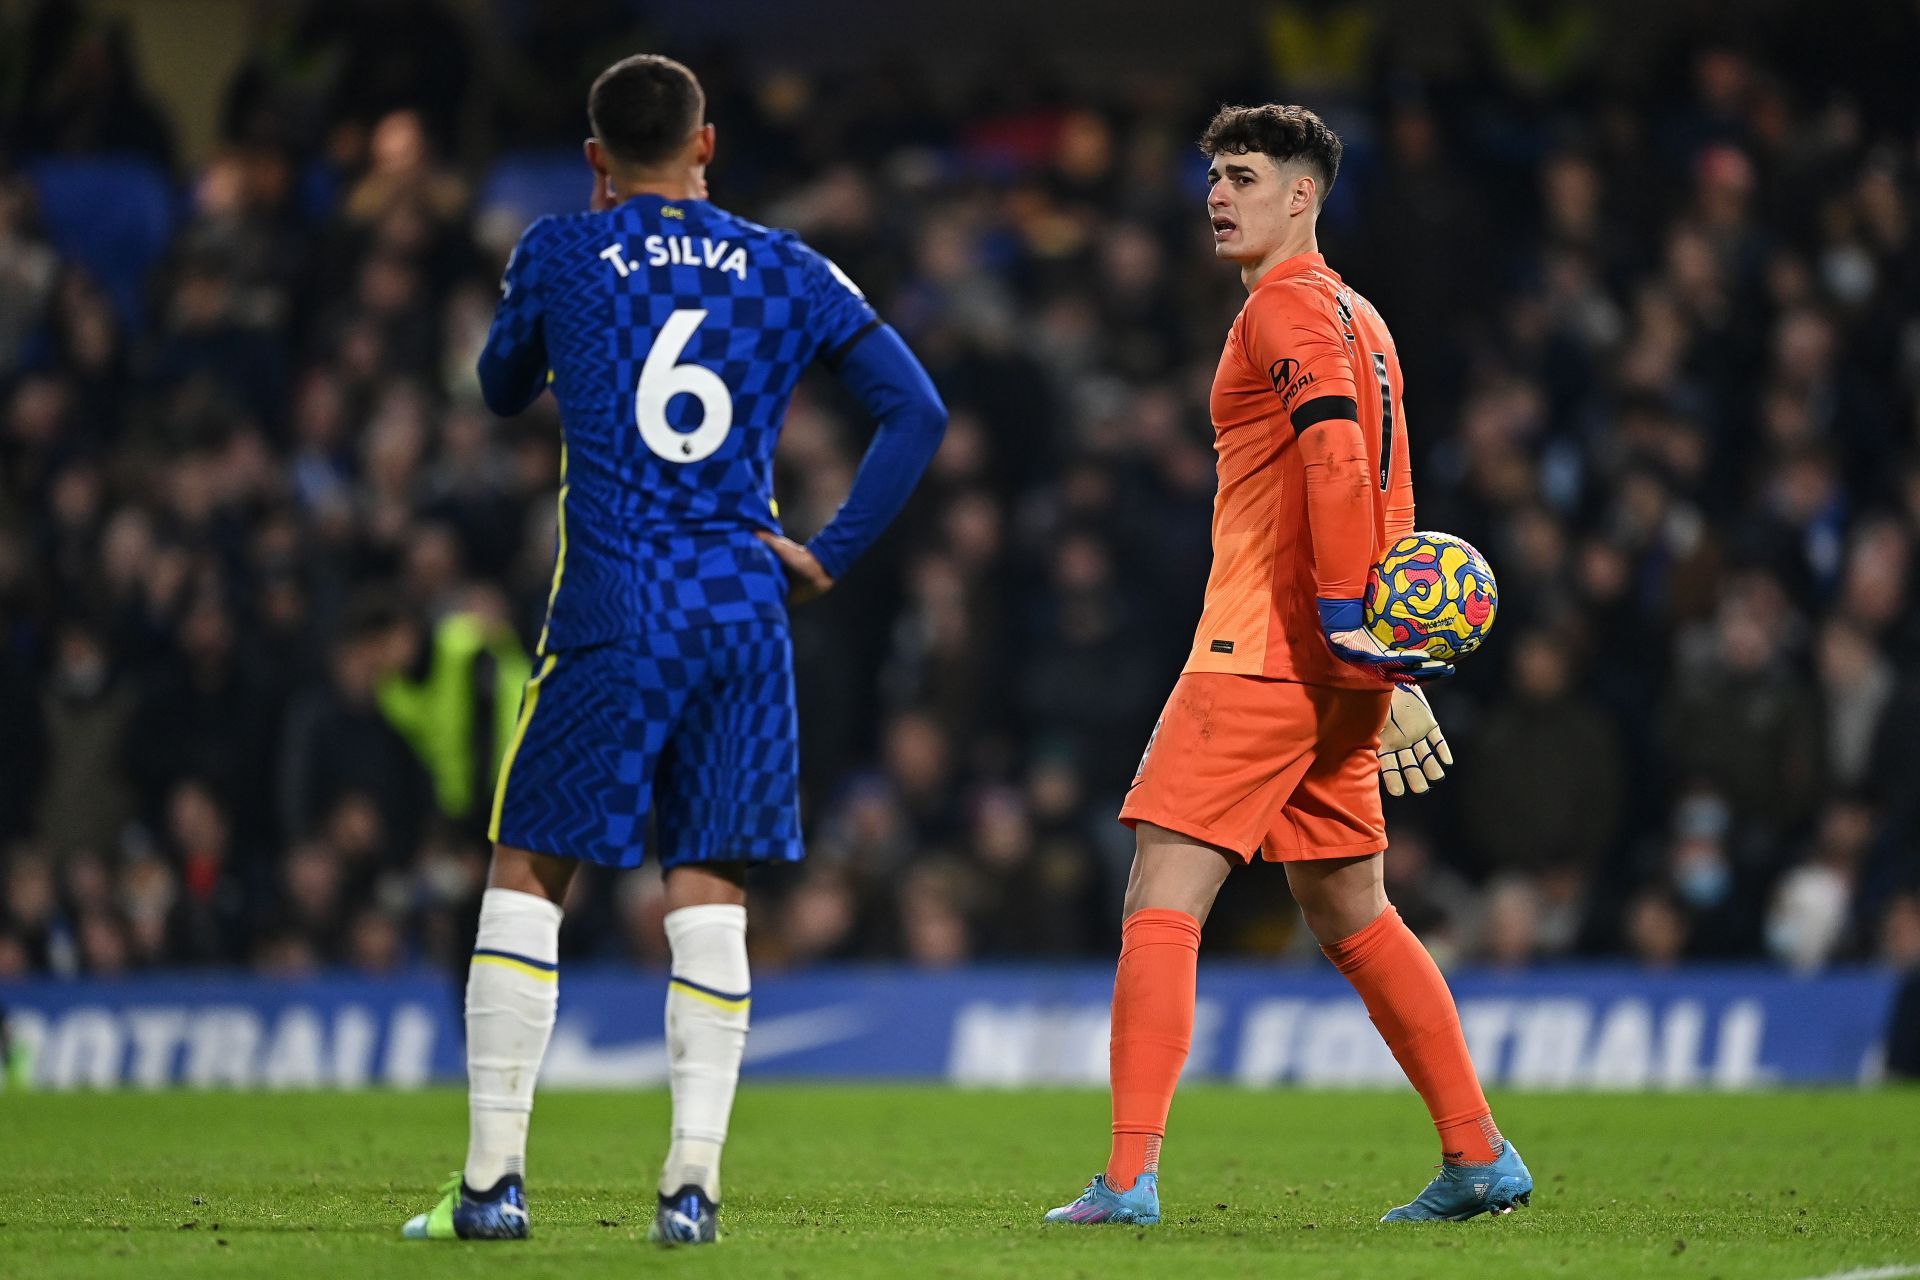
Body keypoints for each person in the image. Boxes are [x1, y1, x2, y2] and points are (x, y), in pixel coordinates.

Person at [402, 54, 946, 1246]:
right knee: (710, 895)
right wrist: (831, 549)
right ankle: (690, 1188)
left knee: (528, 874)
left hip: (616, 600)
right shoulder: (785, 263)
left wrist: (539, 304)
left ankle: (493, 1183)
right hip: (742, 608)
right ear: (708, 145)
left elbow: (498, 388)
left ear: (599, 158)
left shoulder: (559, 248)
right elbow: (918, 411)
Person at [1045, 104, 1531, 1228]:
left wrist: (1354, 635)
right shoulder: (1365, 319)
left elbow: (1336, 457)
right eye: (1214, 174)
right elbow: (1389, 500)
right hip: (1334, 667)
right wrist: (1384, 661)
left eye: (1245, 175)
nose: (1218, 194)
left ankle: (1126, 1179)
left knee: (1163, 891)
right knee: (1352, 907)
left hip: (1262, 652)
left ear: (1302, 195)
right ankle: (1478, 1152)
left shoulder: (1288, 308)